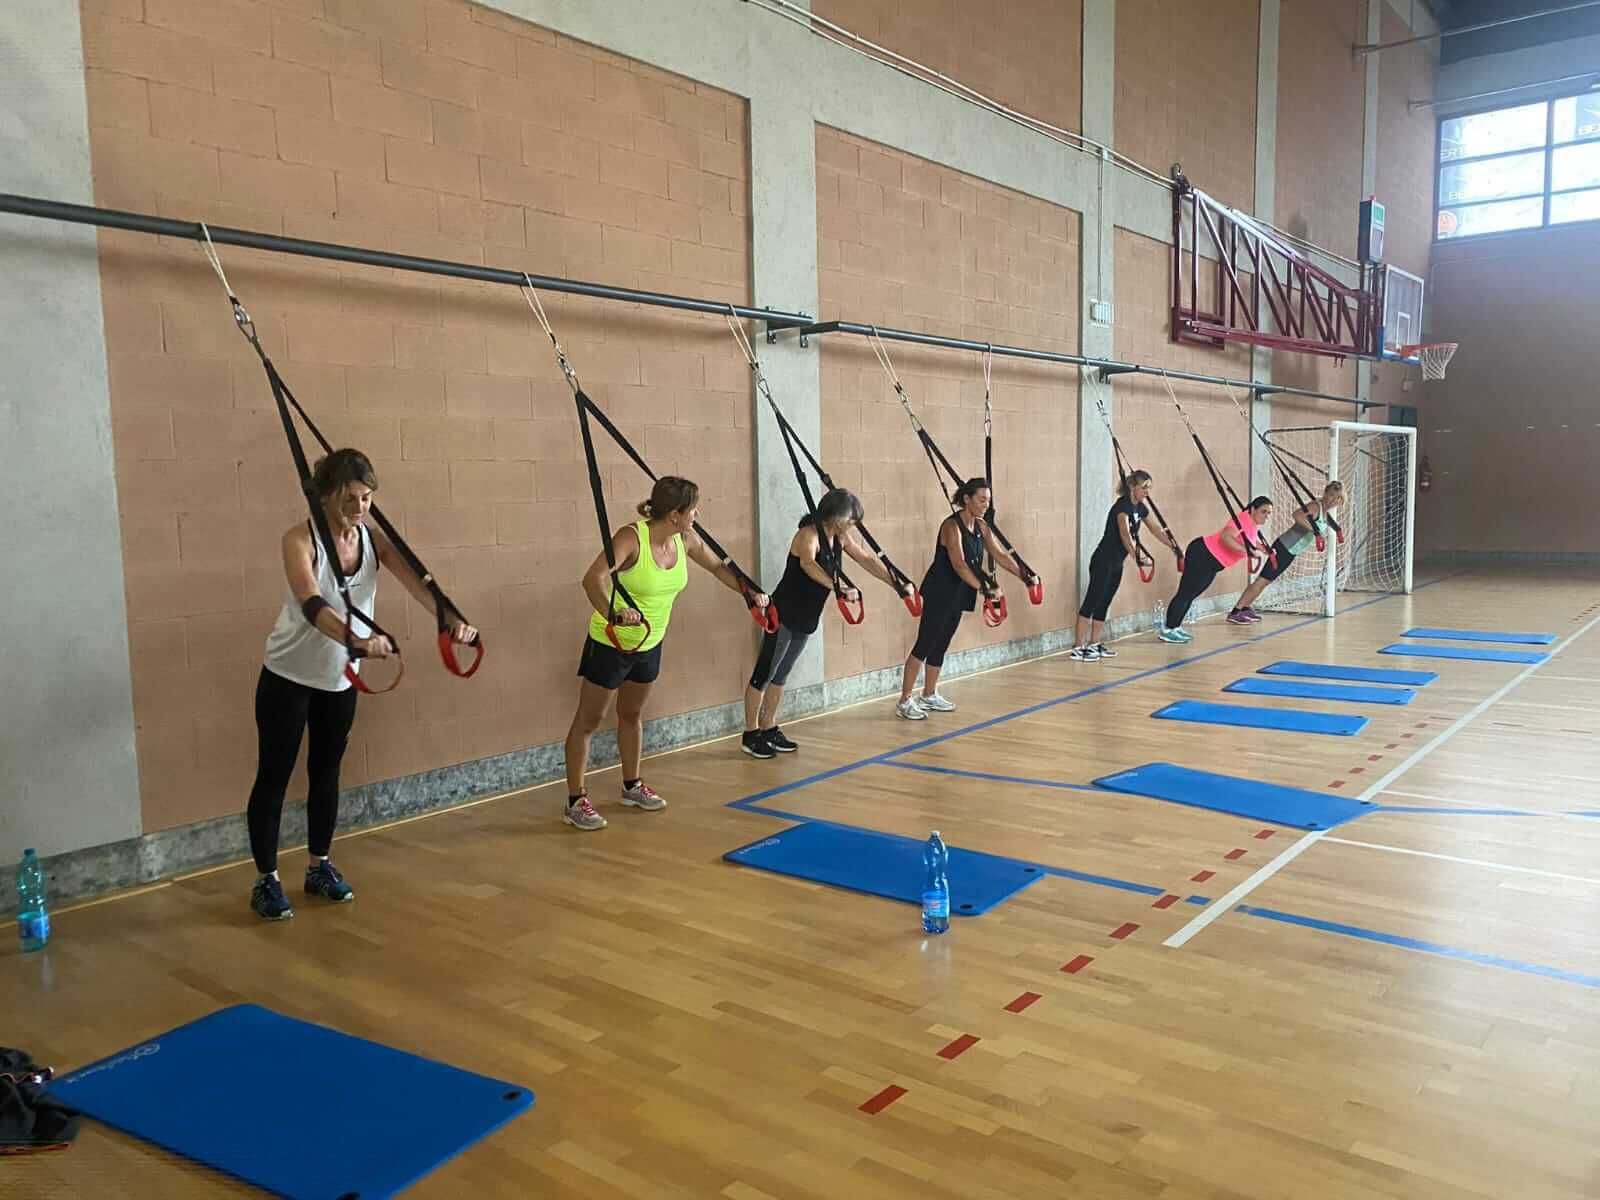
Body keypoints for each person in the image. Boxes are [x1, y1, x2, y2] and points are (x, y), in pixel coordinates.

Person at [246, 449, 478, 921]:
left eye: (368, 497)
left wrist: (451, 620)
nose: (360, 507)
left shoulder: (372, 540)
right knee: (275, 775)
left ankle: (319, 867)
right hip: (288, 675)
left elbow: (417, 582)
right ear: (326, 495)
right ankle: (266, 880)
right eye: (351, 497)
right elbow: (312, 605)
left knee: (326, 773)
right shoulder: (300, 539)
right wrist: (356, 640)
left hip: (337, 679)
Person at [564, 476, 769, 831]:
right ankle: (575, 800)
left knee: (631, 714)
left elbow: (719, 566)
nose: (697, 514)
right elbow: (592, 579)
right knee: (589, 721)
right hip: (611, 643)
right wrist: (612, 614)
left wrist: (747, 591)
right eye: (692, 510)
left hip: (650, 643)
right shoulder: (631, 538)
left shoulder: (685, 539)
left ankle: (631, 785)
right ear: (674, 514)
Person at [742, 488, 911, 757]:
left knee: (782, 674)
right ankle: (750, 734)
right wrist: (838, 587)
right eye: (850, 519)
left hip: (807, 616)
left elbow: (866, 558)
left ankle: (769, 726)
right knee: (765, 674)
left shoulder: (840, 537)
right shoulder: (807, 535)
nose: (853, 524)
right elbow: (808, 565)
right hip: (783, 613)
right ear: (834, 516)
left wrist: (896, 583)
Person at [897, 478, 1039, 720]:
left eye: (989, 500)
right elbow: (960, 564)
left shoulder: (981, 526)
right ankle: (904, 700)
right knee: (925, 643)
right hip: (940, 590)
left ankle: (929, 694)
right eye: (981, 499)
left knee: (941, 643)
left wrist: (1024, 575)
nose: (986, 504)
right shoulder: (951, 527)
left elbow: (1000, 555)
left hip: (960, 592)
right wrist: (985, 589)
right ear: (967, 499)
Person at [1071, 470, 1181, 662]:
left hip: (1116, 563)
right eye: (1144, 488)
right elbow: (1125, 534)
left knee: (1104, 602)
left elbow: (1154, 528)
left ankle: (1094, 644)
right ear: (1132, 487)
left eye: (1149, 488)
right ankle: (1078, 646)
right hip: (1103, 560)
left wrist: (1172, 545)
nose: (1147, 492)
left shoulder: (1140, 508)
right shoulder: (1121, 508)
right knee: (1092, 600)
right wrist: (1136, 557)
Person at [1158, 496, 1274, 644]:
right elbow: (1226, 537)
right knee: (1185, 593)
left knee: (1191, 594)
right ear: (1252, 509)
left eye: (1269, 513)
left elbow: (1247, 539)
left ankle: (1175, 627)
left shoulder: (1252, 523)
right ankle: (1168, 629)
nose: (1266, 516)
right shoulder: (1243, 519)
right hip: (1202, 554)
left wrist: (1260, 547)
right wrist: (1247, 550)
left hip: (1211, 562)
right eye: (1263, 512)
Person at [1227, 482, 1345, 624]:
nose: (1333, 499)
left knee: (1266, 582)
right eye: (1331, 495)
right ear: (1325, 493)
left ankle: (1245, 608)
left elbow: (1327, 521)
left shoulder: (1325, 512)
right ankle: (1236, 611)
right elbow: (1297, 515)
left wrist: (1337, 530)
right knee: (1262, 580)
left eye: (1337, 497)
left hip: (1291, 551)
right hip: (1284, 547)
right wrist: (1315, 532)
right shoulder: (1316, 506)